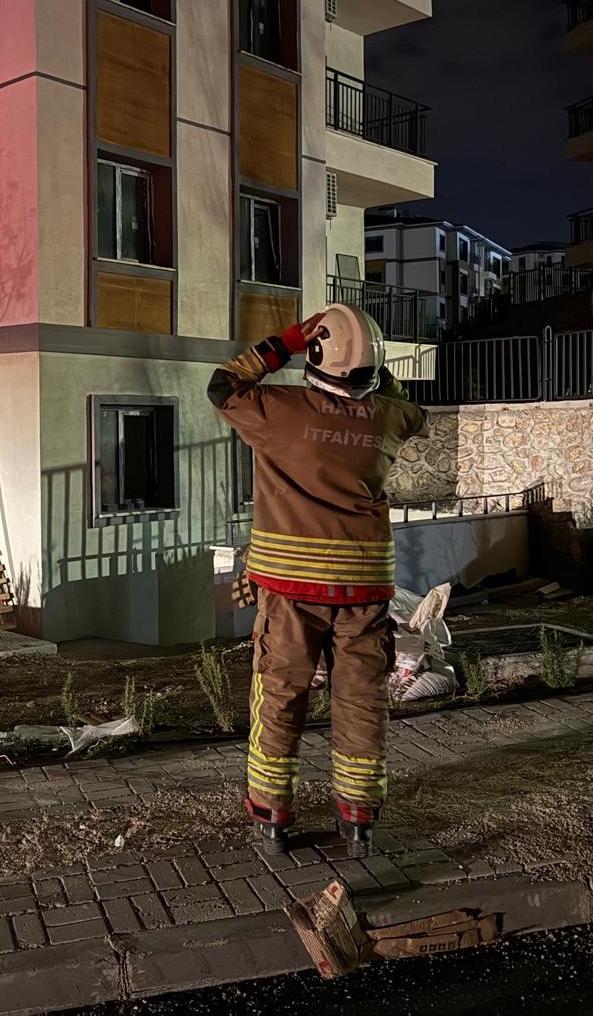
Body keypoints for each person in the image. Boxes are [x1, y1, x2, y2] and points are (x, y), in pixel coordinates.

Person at [209, 305, 426, 858]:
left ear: (316, 355)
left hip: (291, 591)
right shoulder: (389, 418)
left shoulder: (277, 409)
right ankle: (358, 819)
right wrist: (371, 364)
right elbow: (406, 403)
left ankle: (272, 818)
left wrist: (284, 343)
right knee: (361, 701)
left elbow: (223, 385)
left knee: (280, 697)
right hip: (364, 590)